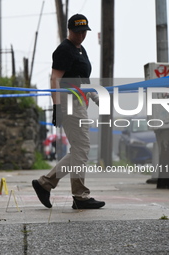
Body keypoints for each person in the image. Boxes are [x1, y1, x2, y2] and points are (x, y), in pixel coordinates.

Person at [32, 14, 105, 209]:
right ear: (70, 30)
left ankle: (45, 184)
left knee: (79, 150)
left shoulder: (81, 50)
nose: (81, 35)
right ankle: (80, 196)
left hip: (80, 101)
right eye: (78, 32)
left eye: (84, 32)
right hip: (69, 103)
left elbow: (83, 81)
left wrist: (99, 99)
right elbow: (55, 80)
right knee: (81, 149)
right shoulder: (64, 50)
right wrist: (56, 107)